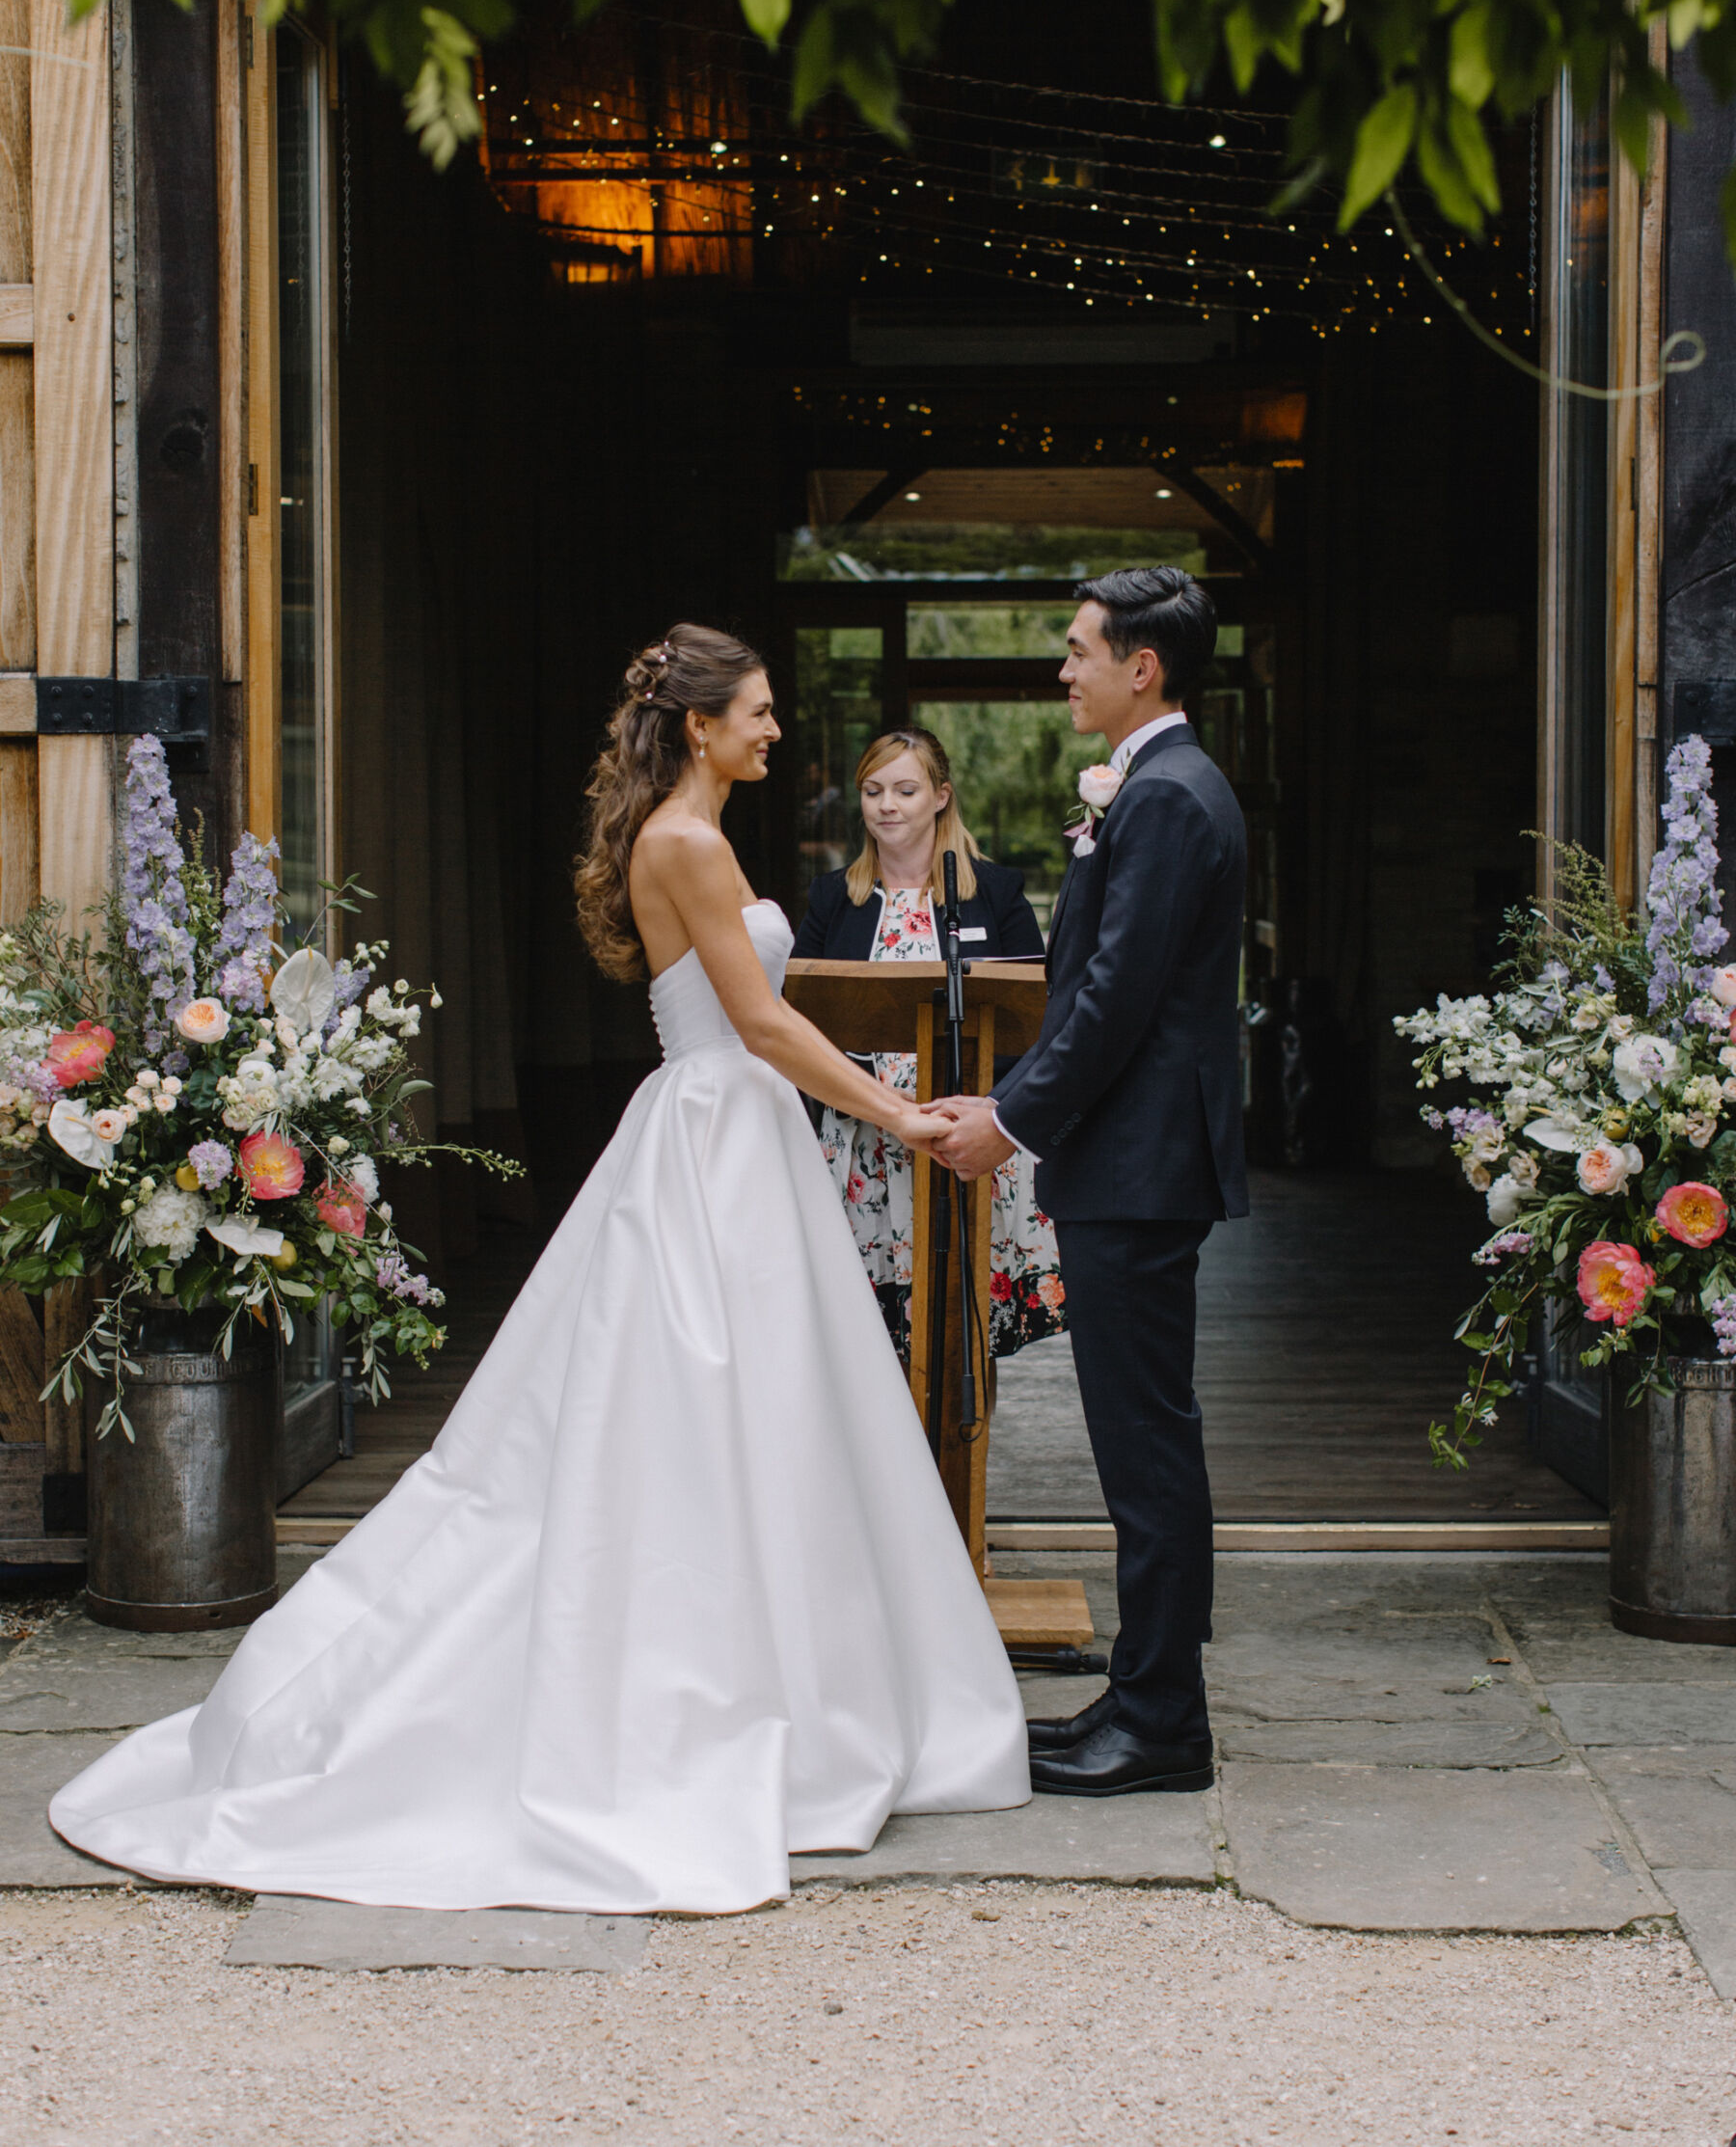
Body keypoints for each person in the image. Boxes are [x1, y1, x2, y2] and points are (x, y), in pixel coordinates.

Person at [50, 625, 1028, 1914]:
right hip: (717, 1134)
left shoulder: (691, 834)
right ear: (699, 725)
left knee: (765, 1423)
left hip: (735, 1141)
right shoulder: (684, 842)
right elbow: (762, 1019)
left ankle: (789, 1688)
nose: (775, 730)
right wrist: (901, 1119)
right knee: (704, 1423)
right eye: (758, 710)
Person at [925, 567, 1247, 1800]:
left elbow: (1113, 998)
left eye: (1077, 651)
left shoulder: (1166, 797)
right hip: (1137, 1157)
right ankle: (1145, 1690)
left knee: (1148, 1445)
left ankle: (1165, 1721)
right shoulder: (1161, 784)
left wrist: (1010, 1122)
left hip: (1144, 1163)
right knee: (1139, 1440)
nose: (1064, 671)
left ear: (1141, 667)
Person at [793, 726, 1062, 1361]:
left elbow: (1037, 1014)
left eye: (905, 790)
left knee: (965, 1339)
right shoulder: (836, 898)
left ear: (940, 796)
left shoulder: (994, 892)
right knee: (873, 1347)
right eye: (873, 790)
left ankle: (955, 1460)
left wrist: (986, 1110)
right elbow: (802, 1012)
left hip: (966, 1137)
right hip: (868, 1141)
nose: (887, 805)